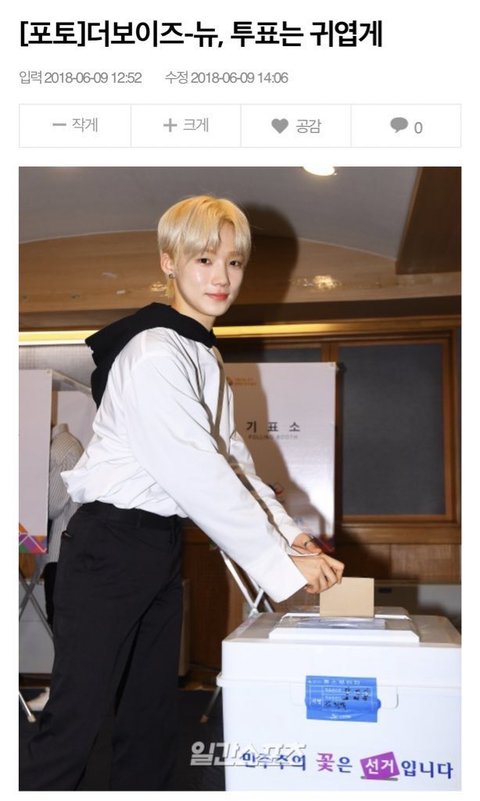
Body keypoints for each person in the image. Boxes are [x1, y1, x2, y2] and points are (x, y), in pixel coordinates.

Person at [21, 195, 344, 790]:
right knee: (77, 720)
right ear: (169, 262)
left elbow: (232, 460)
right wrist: (280, 566)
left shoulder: (200, 351)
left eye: (234, 263)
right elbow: (198, 473)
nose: (222, 277)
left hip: (154, 544)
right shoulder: (154, 351)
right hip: (110, 544)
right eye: (204, 260)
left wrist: (291, 537)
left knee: (148, 718)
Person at [27, 422, 84, 713]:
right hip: (61, 552)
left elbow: (51, 504)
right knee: (62, 625)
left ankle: (63, 694)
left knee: (62, 625)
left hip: (63, 553)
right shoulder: (62, 446)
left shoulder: (60, 449)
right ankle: (65, 692)